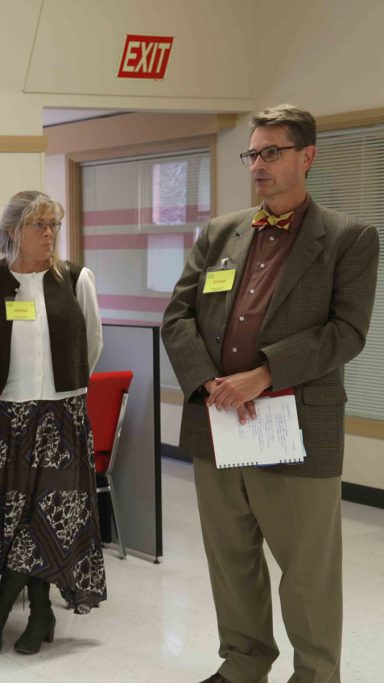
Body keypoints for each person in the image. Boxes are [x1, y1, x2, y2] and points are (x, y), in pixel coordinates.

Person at [161, 104, 380, 683]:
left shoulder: (347, 239)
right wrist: (212, 382)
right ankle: (243, 664)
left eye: (271, 152)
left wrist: (263, 374)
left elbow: (346, 331)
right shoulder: (220, 233)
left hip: (296, 428)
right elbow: (177, 317)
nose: (258, 164)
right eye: (253, 153)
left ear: (306, 156)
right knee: (232, 560)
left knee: (307, 571)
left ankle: (315, 674)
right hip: (220, 421)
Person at [0, 190, 106, 655]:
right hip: (8, 415)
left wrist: (65, 389)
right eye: (38, 225)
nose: (49, 234)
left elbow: (93, 342)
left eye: (53, 226)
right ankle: (39, 613)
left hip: (62, 414)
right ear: (13, 231)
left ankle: (5, 605)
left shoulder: (77, 278)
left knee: (50, 515)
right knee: (14, 516)